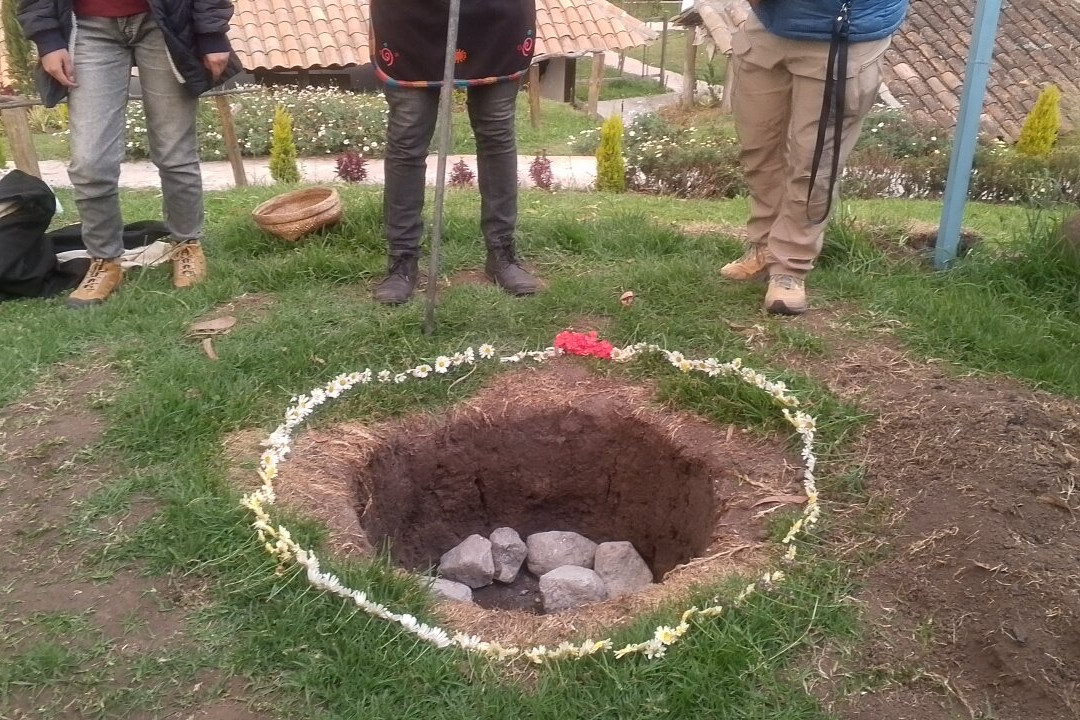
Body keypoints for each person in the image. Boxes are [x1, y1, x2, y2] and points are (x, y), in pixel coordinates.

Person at [17, 0, 238, 308]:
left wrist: (211, 33)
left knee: (175, 154)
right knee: (90, 164)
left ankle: (187, 244)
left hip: (165, 21)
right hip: (87, 25)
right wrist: (48, 39)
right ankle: (105, 261)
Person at [721, 0, 908, 315]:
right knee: (758, 150)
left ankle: (790, 266)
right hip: (768, 25)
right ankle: (764, 247)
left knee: (813, 164)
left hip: (839, 33)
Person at [369, 0, 540, 305]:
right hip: (412, 17)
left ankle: (501, 254)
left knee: (497, 135)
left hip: (494, 15)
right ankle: (402, 261)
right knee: (407, 139)